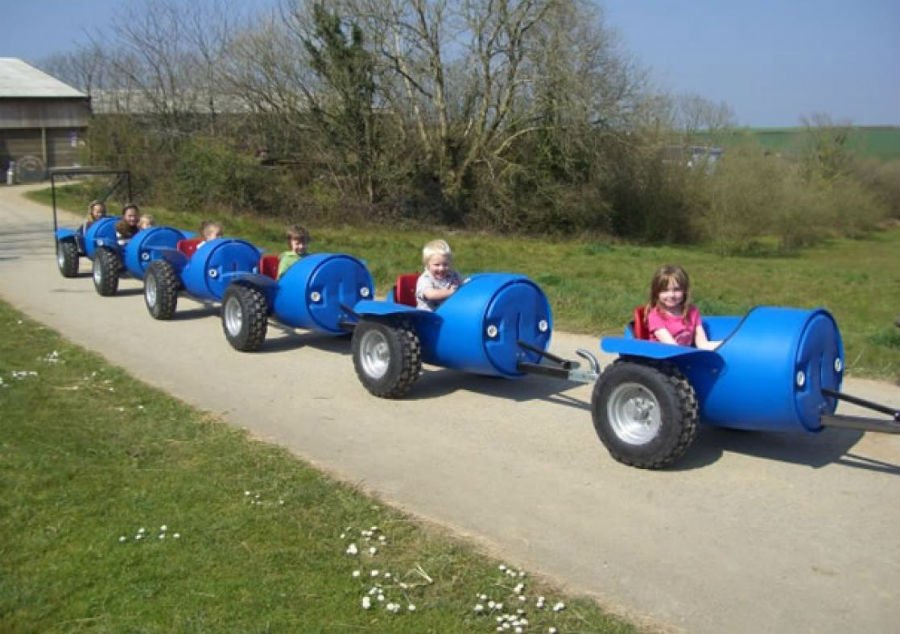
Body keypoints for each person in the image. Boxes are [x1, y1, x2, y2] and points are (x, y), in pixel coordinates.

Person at [645, 264, 719, 350]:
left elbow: (703, 344)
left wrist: (727, 344)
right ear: (656, 292)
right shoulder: (655, 316)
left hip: (683, 356)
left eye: (676, 290)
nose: (671, 295)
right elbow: (672, 348)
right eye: (665, 290)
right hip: (663, 359)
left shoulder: (692, 312)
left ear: (684, 291)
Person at [415, 239, 462, 311]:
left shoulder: (453, 275)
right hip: (428, 316)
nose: (441, 268)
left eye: (445, 264)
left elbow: (462, 285)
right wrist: (450, 292)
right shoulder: (425, 279)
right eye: (437, 265)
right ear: (427, 265)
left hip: (450, 312)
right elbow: (430, 294)